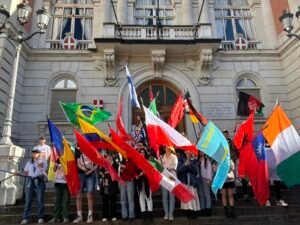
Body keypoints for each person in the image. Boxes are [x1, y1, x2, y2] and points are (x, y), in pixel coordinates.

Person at [21, 148, 47, 224]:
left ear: (39, 154)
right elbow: (26, 173)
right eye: (33, 153)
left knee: (40, 200)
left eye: (36, 153)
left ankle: (40, 217)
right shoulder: (28, 163)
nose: (34, 154)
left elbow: (43, 169)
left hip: (39, 180)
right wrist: (19, 173)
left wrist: (39, 165)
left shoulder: (43, 161)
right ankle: (25, 218)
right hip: (30, 180)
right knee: (28, 200)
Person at [73, 149, 98, 224]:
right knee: (79, 195)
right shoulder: (78, 150)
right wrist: (84, 169)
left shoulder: (91, 149)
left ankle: (90, 215)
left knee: (89, 195)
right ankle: (79, 215)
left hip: (91, 174)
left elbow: (97, 163)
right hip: (81, 174)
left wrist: (90, 171)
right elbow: (78, 163)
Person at [177, 151, 200, 219]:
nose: (187, 153)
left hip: (192, 182)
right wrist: (185, 165)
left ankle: (194, 212)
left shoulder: (194, 160)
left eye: (188, 152)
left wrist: (190, 165)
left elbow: (196, 170)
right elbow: (179, 170)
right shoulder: (181, 159)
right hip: (184, 181)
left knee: (193, 196)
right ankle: (188, 212)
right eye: (186, 152)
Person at [48, 159, 70, 223]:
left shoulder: (68, 157)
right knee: (57, 200)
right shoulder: (57, 159)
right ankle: (56, 217)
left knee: (66, 200)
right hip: (58, 182)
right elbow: (54, 170)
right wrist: (55, 166)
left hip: (66, 183)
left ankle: (65, 217)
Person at [99, 152, 119, 221]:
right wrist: (101, 174)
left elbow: (115, 173)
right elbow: (100, 173)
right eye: (107, 156)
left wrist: (107, 174)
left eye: (110, 156)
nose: (109, 158)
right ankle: (105, 216)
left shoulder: (115, 165)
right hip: (106, 185)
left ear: (112, 157)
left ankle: (114, 215)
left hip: (113, 185)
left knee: (113, 201)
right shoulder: (103, 165)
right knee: (105, 201)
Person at [160, 146, 178, 220]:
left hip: (171, 176)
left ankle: (171, 214)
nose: (168, 149)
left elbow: (175, 166)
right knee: (164, 196)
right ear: (165, 149)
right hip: (164, 177)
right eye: (166, 148)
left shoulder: (174, 157)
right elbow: (159, 167)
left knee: (171, 196)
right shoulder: (161, 157)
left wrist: (169, 169)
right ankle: (166, 213)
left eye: (169, 148)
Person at [135, 148, 153, 221]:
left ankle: (150, 215)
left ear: (145, 153)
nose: (142, 153)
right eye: (140, 152)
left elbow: (152, 170)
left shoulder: (148, 161)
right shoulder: (137, 161)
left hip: (147, 182)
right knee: (141, 198)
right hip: (140, 182)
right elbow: (135, 171)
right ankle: (143, 215)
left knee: (148, 198)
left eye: (143, 152)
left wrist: (145, 173)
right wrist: (136, 175)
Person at [198, 152, 212, 216]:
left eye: (202, 151)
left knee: (207, 194)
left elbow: (209, 169)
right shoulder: (197, 159)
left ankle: (208, 209)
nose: (201, 152)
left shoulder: (207, 159)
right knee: (201, 194)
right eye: (200, 151)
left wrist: (209, 179)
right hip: (199, 179)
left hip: (205, 178)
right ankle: (202, 208)